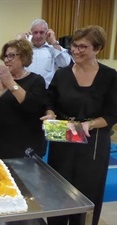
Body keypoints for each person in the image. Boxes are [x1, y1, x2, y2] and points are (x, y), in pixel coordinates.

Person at [41, 25, 117, 225]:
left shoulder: (110, 76)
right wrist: (50, 114)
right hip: (63, 140)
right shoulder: (62, 74)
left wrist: (90, 124)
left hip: (93, 144)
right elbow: (50, 101)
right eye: (74, 46)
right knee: (59, 192)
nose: (76, 51)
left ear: (97, 49)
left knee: (87, 192)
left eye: (83, 47)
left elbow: (112, 113)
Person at [0, 38, 47, 158]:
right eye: (5, 56)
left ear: (24, 57)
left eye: (11, 56)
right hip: (0, 141)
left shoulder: (36, 80)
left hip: (26, 142)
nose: (6, 60)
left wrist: (11, 84)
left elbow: (33, 106)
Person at [20, 19, 72, 88]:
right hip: (25, 90)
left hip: (47, 92)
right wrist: (21, 43)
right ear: (31, 33)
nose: (38, 36)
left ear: (47, 33)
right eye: (35, 32)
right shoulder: (25, 50)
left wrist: (54, 42)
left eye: (41, 32)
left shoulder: (53, 49)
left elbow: (66, 63)